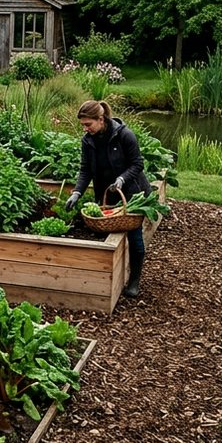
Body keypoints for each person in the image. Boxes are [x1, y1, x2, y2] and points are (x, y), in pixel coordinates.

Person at [64, 100, 152, 297]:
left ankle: (134, 281)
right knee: (103, 235)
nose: (85, 129)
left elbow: (137, 164)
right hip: (105, 193)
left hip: (131, 192)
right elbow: (85, 170)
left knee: (134, 236)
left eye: (88, 124)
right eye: (83, 125)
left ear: (101, 119)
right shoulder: (88, 140)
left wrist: (122, 178)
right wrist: (77, 192)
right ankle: (102, 281)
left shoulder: (125, 136)